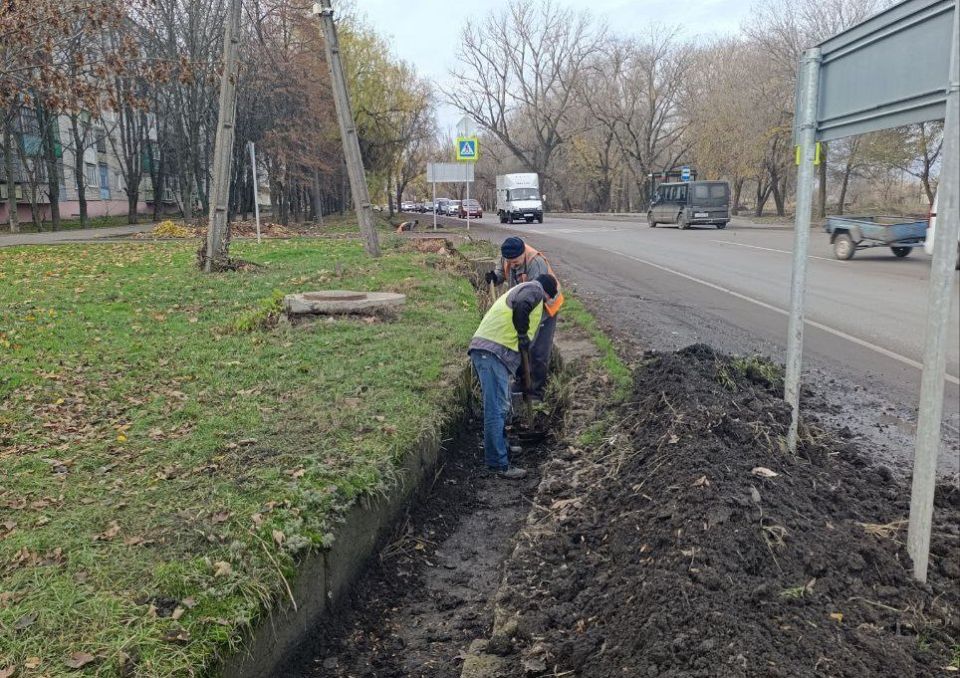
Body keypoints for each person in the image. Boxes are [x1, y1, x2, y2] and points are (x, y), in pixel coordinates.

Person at [469, 273, 559, 479]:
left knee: (501, 406)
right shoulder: (534, 290)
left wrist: (523, 377)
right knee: (496, 409)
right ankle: (498, 464)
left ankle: (503, 448)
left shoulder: (525, 290)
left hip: (494, 353)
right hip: (491, 352)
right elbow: (522, 305)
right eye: (548, 299)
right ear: (547, 293)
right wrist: (522, 334)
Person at [485, 237, 564, 400]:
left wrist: (524, 328)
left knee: (538, 350)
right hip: (523, 306)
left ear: (523, 253)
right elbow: (502, 272)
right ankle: (521, 382)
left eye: (516, 262)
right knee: (519, 346)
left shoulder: (536, 263)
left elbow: (536, 295)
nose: (512, 265)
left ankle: (536, 391)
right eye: (510, 262)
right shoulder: (507, 256)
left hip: (545, 307)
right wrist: (495, 277)